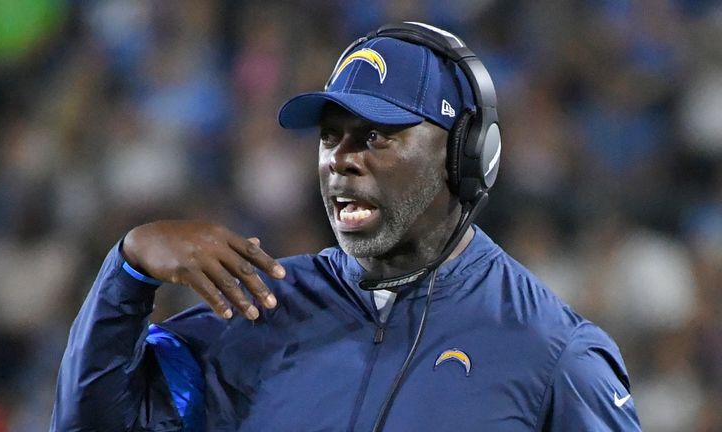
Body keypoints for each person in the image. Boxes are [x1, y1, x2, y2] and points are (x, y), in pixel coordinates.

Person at [51, 22, 641, 431]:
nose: (341, 157)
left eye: (377, 136)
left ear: (464, 155)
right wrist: (126, 273)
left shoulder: (552, 353)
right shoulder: (254, 310)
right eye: (331, 136)